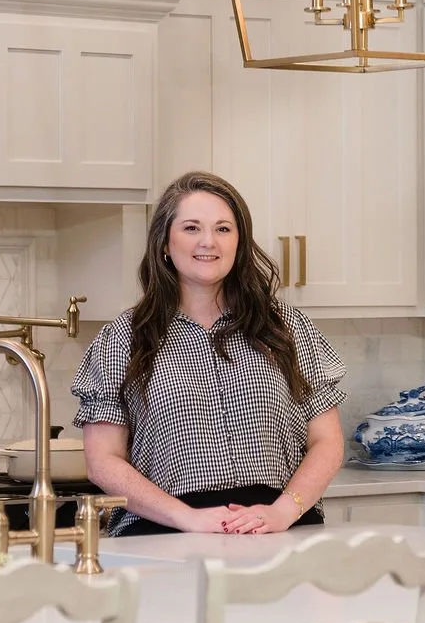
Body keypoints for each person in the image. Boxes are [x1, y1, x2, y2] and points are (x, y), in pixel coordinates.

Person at [72, 171, 347, 535]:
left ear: (239, 242)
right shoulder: (123, 338)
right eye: (191, 228)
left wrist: (282, 512)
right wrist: (186, 516)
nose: (208, 242)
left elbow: (327, 440)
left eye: (223, 229)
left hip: (280, 531)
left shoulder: (287, 327)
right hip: (166, 532)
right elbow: (102, 461)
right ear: (164, 244)